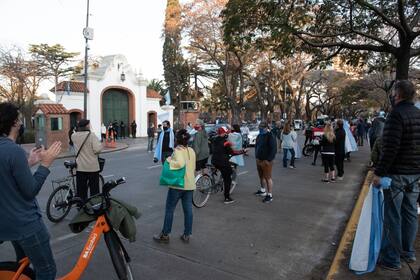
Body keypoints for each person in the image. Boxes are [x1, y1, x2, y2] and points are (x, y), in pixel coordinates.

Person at [0, 102, 62, 280]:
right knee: (47, 270)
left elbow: (6, 178)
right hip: (26, 225)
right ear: (13, 123)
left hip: (7, 224)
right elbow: (30, 191)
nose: (21, 123)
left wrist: (28, 163)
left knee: (23, 264)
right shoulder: (14, 151)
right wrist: (46, 163)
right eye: (19, 119)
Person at [372, 80, 420, 271]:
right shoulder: (418, 114)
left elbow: (389, 149)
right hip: (415, 175)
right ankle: (408, 252)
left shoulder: (396, 115)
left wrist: (379, 173)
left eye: (393, 93)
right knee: (410, 214)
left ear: (398, 95)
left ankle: (391, 258)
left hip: (397, 175)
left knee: (393, 216)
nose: (392, 96)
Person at [153, 129, 196, 244]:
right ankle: (187, 234)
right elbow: (192, 167)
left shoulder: (177, 151)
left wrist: (169, 160)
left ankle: (165, 234)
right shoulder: (191, 150)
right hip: (190, 185)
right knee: (188, 210)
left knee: (170, 210)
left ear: (177, 140)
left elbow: (180, 163)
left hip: (178, 185)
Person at [211, 127, 246, 204]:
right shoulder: (226, 143)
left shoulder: (214, 140)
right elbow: (232, 153)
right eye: (226, 133)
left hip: (214, 161)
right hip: (223, 162)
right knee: (227, 179)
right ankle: (227, 197)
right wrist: (243, 151)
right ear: (224, 133)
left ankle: (215, 184)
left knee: (219, 171)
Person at [72, 119, 103, 203]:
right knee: (94, 189)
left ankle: (82, 206)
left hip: (80, 167)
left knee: (81, 189)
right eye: (89, 125)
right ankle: (94, 205)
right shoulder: (92, 136)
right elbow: (97, 149)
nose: (90, 126)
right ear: (86, 126)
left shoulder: (74, 136)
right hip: (92, 167)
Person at [254, 121, 277, 203]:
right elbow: (257, 146)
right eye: (259, 127)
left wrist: (268, 160)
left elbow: (273, 149)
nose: (260, 129)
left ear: (266, 128)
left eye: (262, 128)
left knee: (268, 178)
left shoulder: (270, 136)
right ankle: (263, 190)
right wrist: (256, 157)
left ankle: (269, 195)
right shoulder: (259, 135)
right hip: (259, 159)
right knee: (261, 177)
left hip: (266, 161)